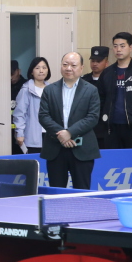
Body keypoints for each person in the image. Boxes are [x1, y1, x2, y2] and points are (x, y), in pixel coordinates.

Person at [38, 52, 101, 190]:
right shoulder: (49, 90)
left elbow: (92, 117)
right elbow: (43, 116)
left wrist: (70, 133)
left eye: (73, 65)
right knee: (56, 191)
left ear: (81, 68)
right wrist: (62, 135)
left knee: (81, 192)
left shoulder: (91, 90)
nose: (68, 68)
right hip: (55, 148)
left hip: (82, 148)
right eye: (65, 64)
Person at [13, 57, 50, 154]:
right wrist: (20, 133)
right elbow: (19, 114)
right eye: (37, 68)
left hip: (50, 135)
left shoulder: (52, 89)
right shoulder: (26, 89)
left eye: (44, 68)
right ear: (32, 72)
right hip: (32, 136)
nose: (41, 71)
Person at [81, 46, 110, 147]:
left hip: (105, 127)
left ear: (106, 63)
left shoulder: (111, 81)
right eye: (93, 61)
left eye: (98, 61)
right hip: (87, 127)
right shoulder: (83, 81)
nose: (95, 64)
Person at [10, 60, 26, 155]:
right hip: (7, 128)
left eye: (12, 74)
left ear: (18, 71)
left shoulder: (26, 86)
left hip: (22, 128)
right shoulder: (3, 86)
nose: (10, 77)